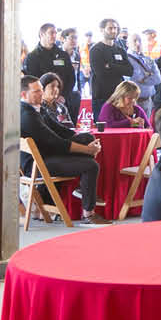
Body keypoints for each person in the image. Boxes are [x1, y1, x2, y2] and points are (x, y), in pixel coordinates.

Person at [19, 76, 99, 217]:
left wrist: (85, 141)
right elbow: (56, 142)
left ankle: (82, 189)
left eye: (41, 90)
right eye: (36, 91)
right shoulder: (26, 115)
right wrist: (88, 150)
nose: (41, 94)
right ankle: (89, 214)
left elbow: (61, 130)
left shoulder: (37, 108)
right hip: (36, 164)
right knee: (91, 165)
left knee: (88, 137)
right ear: (23, 95)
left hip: (48, 154)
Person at [22, 25, 75, 107]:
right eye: (51, 33)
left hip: (62, 101)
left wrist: (62, 96)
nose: (54, 35)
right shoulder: (32, 57)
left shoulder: (63, 55)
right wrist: (45, 97)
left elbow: (71, 78)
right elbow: (31, 81)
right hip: (41, 102)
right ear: (42, 34)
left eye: (55, 33)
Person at [87, 19, 133, 111]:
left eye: (115, 28)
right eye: (110, 28)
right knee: (103, 125)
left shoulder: (120, 50)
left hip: (119, 96)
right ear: (102, 30)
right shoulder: (96, 50)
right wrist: (120, 69)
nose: (113, 31)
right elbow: (101, 73)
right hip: (102, 97)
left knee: (120, 124)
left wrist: (111, 66)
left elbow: (129, 71)